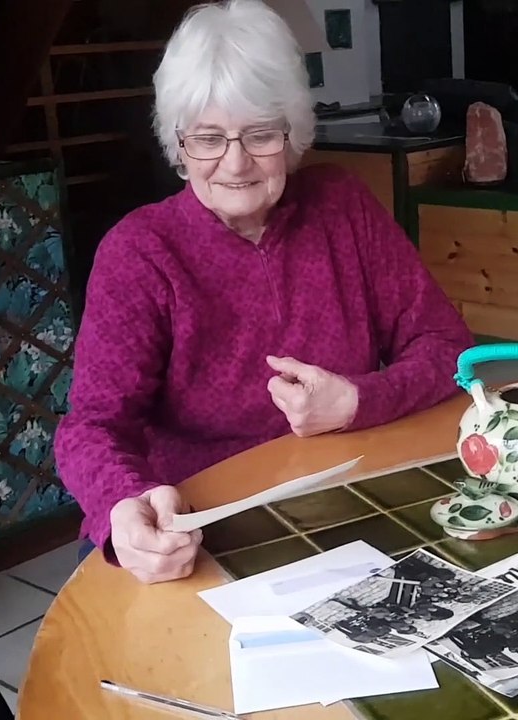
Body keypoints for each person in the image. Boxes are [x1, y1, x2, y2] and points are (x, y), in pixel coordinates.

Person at [54, 0, 473, 584]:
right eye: (207, 138)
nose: (236, 162)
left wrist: (358, 400)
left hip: (342, 500)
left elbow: (449, 348)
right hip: (199, 528)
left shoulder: (343, 206)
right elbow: (89, 428)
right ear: (178, 145)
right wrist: (125, 506)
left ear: (293, 132)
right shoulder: (140, 252)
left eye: (259, 135)